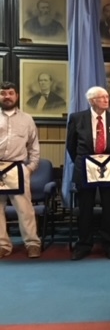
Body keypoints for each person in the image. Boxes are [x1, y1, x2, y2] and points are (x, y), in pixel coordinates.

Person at [66, 86, 110, 261]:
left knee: (109, 207)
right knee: (85, 207)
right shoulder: (77, 118)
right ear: (92, 101)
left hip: (108, 166)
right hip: (84, 166)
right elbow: (71, 146)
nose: (106, 100)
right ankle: (84, 244)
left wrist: (103, 161)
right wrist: (84, 161)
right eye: (101, 97)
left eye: (107, 96)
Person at [0, 81, 41, 259]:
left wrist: (29, 168)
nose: (7, 96)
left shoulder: (27, 119)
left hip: (17, 168)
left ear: (16, 96)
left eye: (10, 93)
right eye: (3, 93)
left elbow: (34, 147)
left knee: (25, 209)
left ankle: (32, 243)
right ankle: (3, 245)